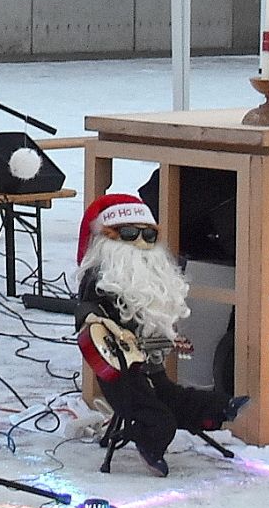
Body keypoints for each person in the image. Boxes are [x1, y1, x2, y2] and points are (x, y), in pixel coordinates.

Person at [73, 193, 246, 476]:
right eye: (130, 234)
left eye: (149, 236)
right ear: (108, 238)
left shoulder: (150, 281)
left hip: (146, 363)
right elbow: (87, 313)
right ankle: (152, 446)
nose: (141, 243)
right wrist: (108, 326)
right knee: (154, 414)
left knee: (171, 395)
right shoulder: (101, 279)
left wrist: (164, 338)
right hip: (118, 372)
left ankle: (220, 407)